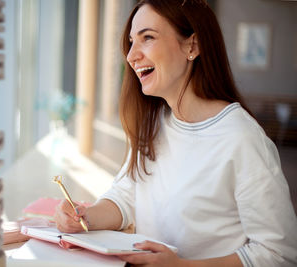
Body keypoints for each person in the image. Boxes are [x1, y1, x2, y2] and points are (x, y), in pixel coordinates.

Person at [54, 0, 297, 266]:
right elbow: (126, 195)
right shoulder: (154, 123)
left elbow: (278, 254)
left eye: (148, 37)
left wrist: (182, 266)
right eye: (132, 41)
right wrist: (84, 218)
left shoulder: (242, 139)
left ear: (192, 46)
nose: (131, 55)